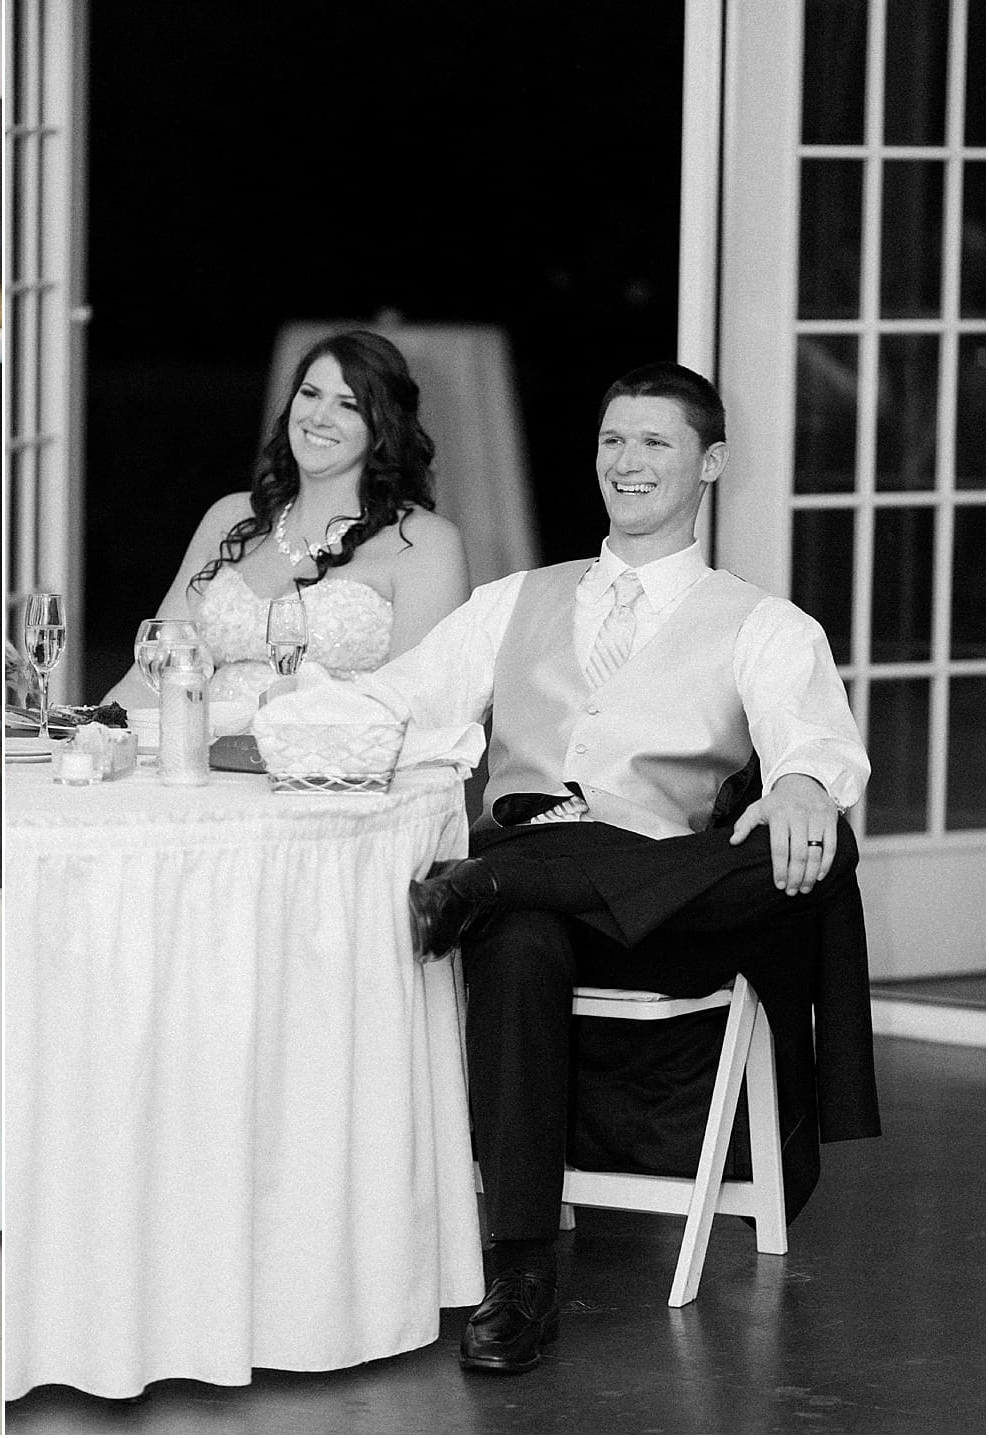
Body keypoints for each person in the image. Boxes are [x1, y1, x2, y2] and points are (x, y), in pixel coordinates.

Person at [367, 363, 879, 1374]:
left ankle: (504, 880)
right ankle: (518, 1275)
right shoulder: (514, 600)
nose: (627, 462)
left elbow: (814, 740)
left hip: (669, 905)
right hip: (535, 880)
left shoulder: (762, 621)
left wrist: (808, 784)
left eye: (655, 442)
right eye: (614, 441)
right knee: (516, 938)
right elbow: (395, 702)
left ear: (710, 464)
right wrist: (258, 718)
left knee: (806, 851)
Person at [105, 329, 470, 707]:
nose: (319, 417)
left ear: (382, 431)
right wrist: (87, 736)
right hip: (202, 755)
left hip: (336, 762)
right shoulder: (230, 518)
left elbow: (422, 705)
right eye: (310, 395)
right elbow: (151, 677)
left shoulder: (423, 542)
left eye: (348, 405)